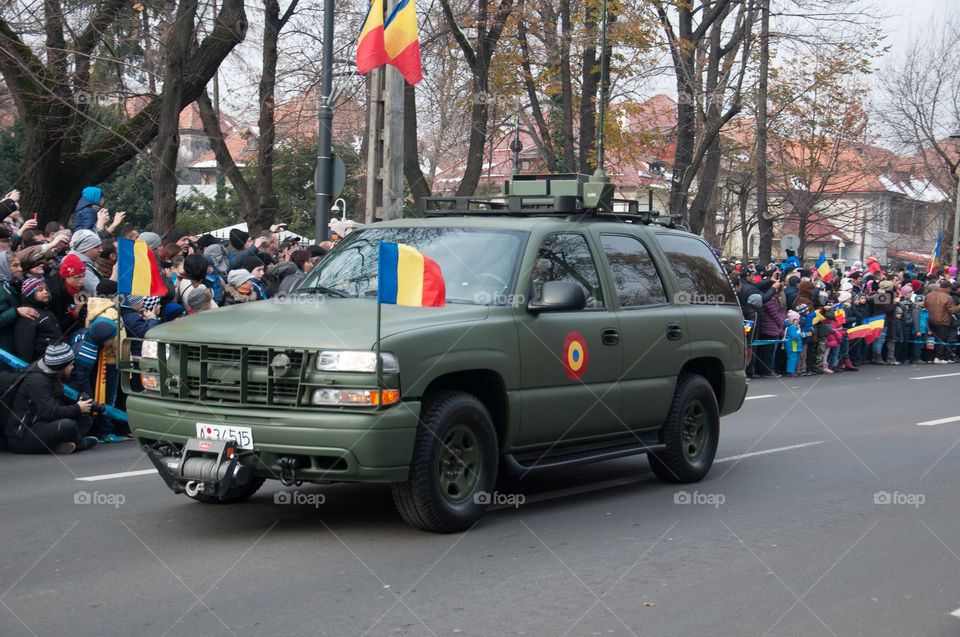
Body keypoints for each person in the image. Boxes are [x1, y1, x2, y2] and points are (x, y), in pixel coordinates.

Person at [4, 342, 97, 454]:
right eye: (71, 364)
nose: (73, 367)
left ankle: (61, 445)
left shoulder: (50, 373)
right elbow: (50, 412)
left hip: (40, 423)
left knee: (85, 419)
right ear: (61, 366)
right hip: (22, 435)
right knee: (68, 425)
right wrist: (77, 408)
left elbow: (58, 402)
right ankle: (78, 445)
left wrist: (80, 403)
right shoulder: (37, 381)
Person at [0, 251, 39, 365]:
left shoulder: (13, 284)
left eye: (20, 265)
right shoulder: (2, 289)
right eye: (15, 265)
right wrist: (16, 311)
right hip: (4, 348)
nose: (20, 269)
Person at [12, 278, 62, 363]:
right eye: (40, 290)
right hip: (39, 363)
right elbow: (24, 347)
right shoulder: (28, 315)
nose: (45, 292)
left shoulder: (45, 310)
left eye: (46, 289)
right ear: (30, 294)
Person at [924, 280, 959, 364]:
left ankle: (929, 357)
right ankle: (938, 357)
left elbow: (925, 306)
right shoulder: (948, 297)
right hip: (943, 321)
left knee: (931, 340)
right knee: (941, 340)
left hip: (930, 320)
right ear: (947, 288)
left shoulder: (929, 295)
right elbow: (952, 310)